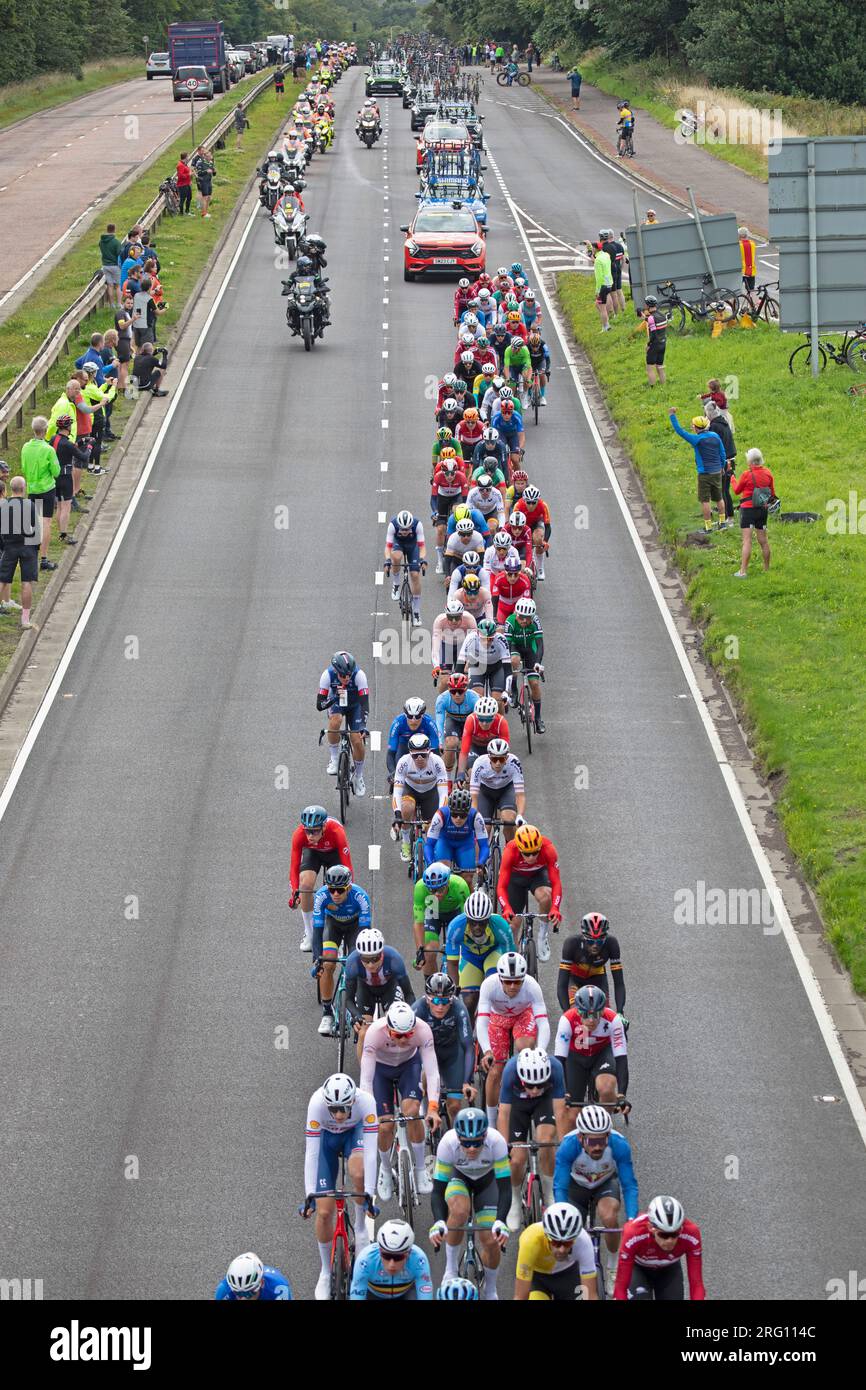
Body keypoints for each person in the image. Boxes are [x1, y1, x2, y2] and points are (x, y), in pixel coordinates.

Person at [302, 1073, 378, 1299]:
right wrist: (309, 1196)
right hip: (327, 1142)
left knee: (358, 1170)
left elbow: (372, 1155)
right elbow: (312, 1154)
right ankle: (325, 1272)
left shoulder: (366, 1102)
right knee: (324, 1212)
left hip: (355, 1135)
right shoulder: (316, 1103)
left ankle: (361, 1228)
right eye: (332, 1109)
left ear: (353, 1101)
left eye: (342, 1109)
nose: (337, 1115)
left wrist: (370, 1196)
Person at [359, 1000, 439, 1200]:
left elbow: (432, 1072)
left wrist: (433, 1107)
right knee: (385, 1126)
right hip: (381, 1071)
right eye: (398, 1036)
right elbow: (366, 1078)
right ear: (388, 1029)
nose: (403, 1040)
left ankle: (420, 1169)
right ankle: (385, 1170)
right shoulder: (375, 1032)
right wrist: (369, 1113)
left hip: (408, 1066)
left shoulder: (423, 1029)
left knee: (412, 1113)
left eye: (408, 1035)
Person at [429, 1108, 511, 1300]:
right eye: (466, 1143)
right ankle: (450, 1270)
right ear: (458, 1137)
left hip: (487, 1181)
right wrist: (439, 1221)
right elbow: (438, 1191)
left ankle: (490, 1289)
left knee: (491, 1240)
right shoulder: (447, 1143)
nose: (472, 1149)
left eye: (477, 1143)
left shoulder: (497, 1142)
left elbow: (506, 1189)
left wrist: (501, 1220)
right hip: (459, 1177)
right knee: (459, 1212)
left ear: (485, 1136)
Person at [554, 1104, 639, 1284]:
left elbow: (629, 1185)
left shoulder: (619, 1144)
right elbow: (560, 1187)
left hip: (605, 1183)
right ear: (580, 1137)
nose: (598, 1147)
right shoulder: (568, 1146)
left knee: (609, 1217)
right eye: (592, 1142)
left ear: (609, 1136)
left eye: (602, 1140)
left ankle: (613, 1267)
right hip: (576, 1186)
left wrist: (632, 1220)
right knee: (570, 1226)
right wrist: (561, 1215)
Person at [476, 952, 550, 1127]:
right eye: (507, 981)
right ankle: (492, 1123)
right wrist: (487, 1050)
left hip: (523, 1015)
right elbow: (482, 1021)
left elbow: (543, 1022)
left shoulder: (532, 986)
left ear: (524, 979)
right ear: (500, 979)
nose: (512, 986)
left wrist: (540, 1051)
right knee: (495, 1071)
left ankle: (524, 1092)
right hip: (497, 1018)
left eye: (517, 981)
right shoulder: (489, 985)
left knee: (527, 1049)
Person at [497, 1048, 566, 1226]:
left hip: (544, 1104)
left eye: (540, 1085)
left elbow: (560, 1111)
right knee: (517, 1158)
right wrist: (504, 1146)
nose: (535, 1090)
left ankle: (550, 1192)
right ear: (521, 1077)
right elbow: (504, 1113)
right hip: (517, 1106)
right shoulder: (511, 1070)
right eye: (529, 1085)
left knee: (547, 1142)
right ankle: (513, 1198)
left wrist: (565, 1142)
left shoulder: (556, 1068)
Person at [311, 867, 371, 1035]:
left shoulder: (361, 897)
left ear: (349, 888)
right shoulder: (321, 896)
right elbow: (317, 932)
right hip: (333, 926)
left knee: (357, 962)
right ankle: (327, 1012)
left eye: (340, 890)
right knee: (328, 963)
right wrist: (317, 960)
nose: (335, 894)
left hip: (356, 927)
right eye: (332, 889)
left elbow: (366, 933)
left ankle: (355, 1002)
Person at [614, 1196, 705, 1300]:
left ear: (681, 1228)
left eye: (675, 1234)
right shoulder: (633, 1233)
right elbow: (620, 1287)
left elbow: (697, 1284)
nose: (669, 1240)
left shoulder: (691, 1233)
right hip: (639, 1268)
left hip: (668, 1269)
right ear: (650, 1228)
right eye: (663, 1235)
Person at [289, 804, 353, 952]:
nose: (310, 836)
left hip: (334, 853)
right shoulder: (299, 835)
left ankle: (339, 933)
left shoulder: (337, 831)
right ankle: (310, 933)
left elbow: (347, 866)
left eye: (315, 831)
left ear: (324, 827)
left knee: (337, 888)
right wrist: (295, 893)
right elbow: (294, 867)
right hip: (313, 853)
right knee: (305, 886)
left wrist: (347, 890)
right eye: (308, 831)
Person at [554, 983, 629, 1108]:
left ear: (603, 1011)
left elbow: (621, 1058)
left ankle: (603, 1124)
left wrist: (621, 1094)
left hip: (601, 1054)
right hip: (576, 1057)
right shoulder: (567, 1020)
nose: (591, 1020)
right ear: (577, 1011)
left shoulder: (613, 1019)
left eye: (596, 1015)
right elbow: (559, 1060)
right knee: (571, 1111)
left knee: (606, 1089)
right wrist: (564, 1093)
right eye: (585, 1014)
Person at [413, 972, 475, 1120]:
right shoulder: (417, 1009)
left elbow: (468, 1047)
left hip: (452, 1054)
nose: (440, 1006)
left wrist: (466, 1082)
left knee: (454, 1107)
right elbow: (408, 1046)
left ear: (452, 1000)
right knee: (424, 1078)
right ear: (427, 999)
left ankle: (454, 1140)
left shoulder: (459, 1009)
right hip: (426, 1053)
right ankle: (426, 1108)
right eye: (435, 1000)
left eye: (445, 1001)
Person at [496, 823, 562, 960]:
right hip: (516, 879)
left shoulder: (548, 849)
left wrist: (555, 908)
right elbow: (501, 886)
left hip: (537, 875)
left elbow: (556, 883)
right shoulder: (510, 851)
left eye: (535, 852)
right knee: (513, 924)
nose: (531, 857)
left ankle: (542, 935)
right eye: (527, 854)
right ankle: (512, 956)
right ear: (519, 849)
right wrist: (506, 908)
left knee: (546, 897)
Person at [514, 1202, 598, 1301]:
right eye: (556, 1243)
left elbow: (591, 1296)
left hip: (567, 1275)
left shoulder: (583, 1240)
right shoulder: (530, 1240)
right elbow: (520, 1296)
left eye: (567, 1243)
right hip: (538, 1279)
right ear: (546, 1236)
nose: (561, 1250)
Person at [317, 651, 369, 792]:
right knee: (336, 720)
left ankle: (358, 776)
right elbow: (319, 705)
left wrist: (363, 726)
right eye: (342, 676)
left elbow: (364, 703)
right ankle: (334, 759)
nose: (346, 678)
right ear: (336, 671)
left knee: (357, 739)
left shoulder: (359, 675)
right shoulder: (327, 675)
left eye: (349, 675)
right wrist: (334, 698)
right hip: (337, 704)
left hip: (355, 706)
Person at [669, 407, 728, 532]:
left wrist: (672, 416)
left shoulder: (696, 439)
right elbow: (722, 453)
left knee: (705, 500)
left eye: (692, 426)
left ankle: (708, 527)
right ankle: (722, 523)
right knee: (719, 498)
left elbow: (680, 431)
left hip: (705, 473)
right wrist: (722, 467)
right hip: (717, 471)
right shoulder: (715, 436)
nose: (692, 427)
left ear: (696, 428)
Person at [392, 734, 449, 863]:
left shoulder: (437, 762)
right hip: (410, 790)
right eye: (415, 755)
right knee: (406, 807)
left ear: (429, 752)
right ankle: (406, 842)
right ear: (410, 753)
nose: (419, 759)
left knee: (433, 829)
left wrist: (440, 815)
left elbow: (444, 793)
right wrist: (397, 814)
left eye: (423, 755)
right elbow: (397, 792)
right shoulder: (403, 762)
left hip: (430, 793)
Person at [558, 912, 625, 1015]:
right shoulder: (571, 943)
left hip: (598, 978)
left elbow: (619, 983)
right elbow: (562, 984)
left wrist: (620, 1012)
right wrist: (567, 1014)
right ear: (584, 937)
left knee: (604, 1013)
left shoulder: (611, 943)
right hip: (574, 979)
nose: (595, 945)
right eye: (590, 941)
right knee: (575, 1012)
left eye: (599, 942)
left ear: (605, 939)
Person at [350, 1219, 433, 1300]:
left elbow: (425, 1290)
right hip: (374, 1294)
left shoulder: (419, 1260)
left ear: (408, 1254)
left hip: (405, 1293)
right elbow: (358, 1290)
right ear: (380, 1251)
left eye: (398, 1257)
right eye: (386, 1256)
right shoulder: (365, 1260)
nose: (391, 1264)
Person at [0, 476, 41, 630]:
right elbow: (37, 529)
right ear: (24, 489)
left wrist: (4, 546)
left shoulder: (3, 505)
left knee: (3, 579)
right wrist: (35, 548)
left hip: (9, 546)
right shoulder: (31, 504)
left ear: (10, 489)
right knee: (26, 582)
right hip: (28, 546)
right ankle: (25, 619)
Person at [20, 417, 60, 573]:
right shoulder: (49, 449)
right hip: (47, 489)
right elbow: (56, 471)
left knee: (34, 524)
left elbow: (23, 468)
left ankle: (31, 559)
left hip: (32, 488)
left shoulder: (25, 447)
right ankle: (44, 559)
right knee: (46, 523)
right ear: (45, 430)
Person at [731, 447, 776, 577]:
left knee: (747, 541)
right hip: (762, 509)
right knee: (763, 540)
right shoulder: (768, 473)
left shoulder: (746, 474)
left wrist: (732, 479)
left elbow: (737, 491)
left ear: (749, 461)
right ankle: (766, 569)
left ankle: (743, 571)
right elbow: (772, 493)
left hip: (748, 510)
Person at [49, 414, 89, 545]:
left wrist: (79, 443)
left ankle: (61, 533)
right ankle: (64, 534)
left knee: (59, 506)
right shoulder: (68, 444)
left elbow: (66, 447)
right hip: (66, 478)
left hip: (55, 477)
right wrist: (89, 447)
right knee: (66, 506)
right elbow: (83, 457)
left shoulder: (54, 439)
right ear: (68, 427)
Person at [384, 510, 427, 626]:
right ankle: (396, 584)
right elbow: (388, 547)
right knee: (396, 557)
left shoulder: (418, 525)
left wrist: (422, 559)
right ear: (398, 526)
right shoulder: (392, 525)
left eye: (407, 529)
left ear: (411, 526)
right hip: (398, 544)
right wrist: (388, 561)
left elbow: (422, 546)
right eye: (402, 529)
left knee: (415, 575)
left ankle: (416, 612)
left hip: (413, 546)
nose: (404, 532)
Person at [703, 399, 736, 521]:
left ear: (709, 414)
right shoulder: (724, 423)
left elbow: (712, 446)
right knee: (724, 490)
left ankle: (728, 517)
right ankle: (729, 516)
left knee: (722, 491)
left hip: (724, 462)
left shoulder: (714, 427)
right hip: (730, 459)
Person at [215, 1252, 291, 1299]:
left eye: (248, 1294)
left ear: (262, 1283)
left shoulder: (279, 1287)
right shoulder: (223, 1290)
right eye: (238, 1294)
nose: (243, 1299)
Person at [636, 295, 668, 386]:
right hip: (663, 344)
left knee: (650, 368)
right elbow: (655, 322)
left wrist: (648, 344)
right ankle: (663, 385)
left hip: (654, 345)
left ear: (647, 305)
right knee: (660, 367)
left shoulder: (651, 318)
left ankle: (652, 387)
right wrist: (644, 318)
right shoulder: (662, 315)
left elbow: (653, 334)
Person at [98, 223, 122, 307]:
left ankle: (112, 304)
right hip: (115, 265)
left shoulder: (101, 241)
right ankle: (119, 303)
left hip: (105, 265)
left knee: (110, 285)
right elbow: (119, 254)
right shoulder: (116, 242)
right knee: (118, 286)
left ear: (107, 229)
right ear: (114, 230)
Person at [191, 146, 215, 218]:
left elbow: (213, 173)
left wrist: (214, 172)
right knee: (205, 196)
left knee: (209, 197)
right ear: (205, 156)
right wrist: (205, 172)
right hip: (203, 181)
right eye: (209, 156)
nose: (211, 157)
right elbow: (199, 172)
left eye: (211, 155)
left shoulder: (211, 163)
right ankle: (203, 213)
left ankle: (206, 211)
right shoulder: (200, 162)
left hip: (209, 181)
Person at [738, 226, 757, 295]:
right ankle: (754, 304)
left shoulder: (738, 245)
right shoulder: (752, 244)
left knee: (735, 291)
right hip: (751, 270)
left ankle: (733, 305)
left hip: (741, 271)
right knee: (751, 291)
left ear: (739, 235)